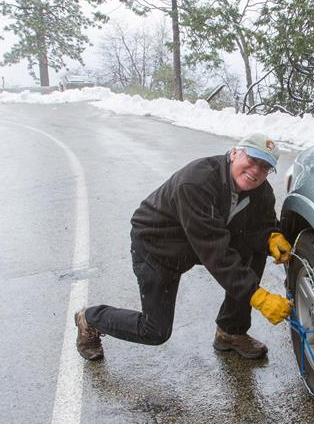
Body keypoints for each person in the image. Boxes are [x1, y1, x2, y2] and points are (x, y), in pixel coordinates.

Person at [74, 132, 293, 361]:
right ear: (236, 152)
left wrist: (272, 236)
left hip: (192, 242)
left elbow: (262, 221)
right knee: (155, 331)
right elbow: (215, 251)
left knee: (254, 249)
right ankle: (89, 319)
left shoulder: (260, 189)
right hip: (158, 247)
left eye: (265, 167)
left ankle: (231, 332)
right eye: (253, 160)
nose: (257, 171)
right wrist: (258, 296)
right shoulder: (198, 181)